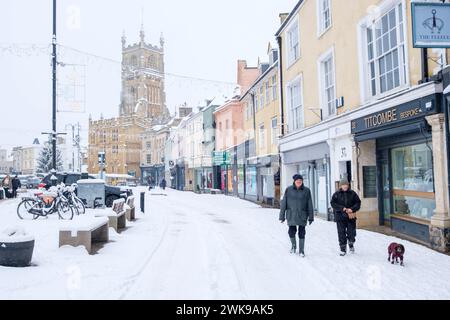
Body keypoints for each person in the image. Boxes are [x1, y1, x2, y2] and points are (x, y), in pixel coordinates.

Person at [279, 174, 314, 257]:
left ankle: (301, 250)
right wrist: (282, 216)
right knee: (291, 231)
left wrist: (311, 217)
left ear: (302, 181)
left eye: (300, 181)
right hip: (291, 214)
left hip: (302, 214)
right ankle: (293, 246)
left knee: (302, 232)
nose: (299, 182)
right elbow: (284, 203)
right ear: (294, 181)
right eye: (297, 181)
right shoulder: (288, 190)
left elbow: (310, 204)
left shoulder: (306, 190)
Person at [330, 178, 361, 256]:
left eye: (346, 185)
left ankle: (351, 243)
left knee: (352, 233)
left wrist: (352, 209)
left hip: (351, 217)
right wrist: (341, 208)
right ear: (341, 186)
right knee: (341, 233)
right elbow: (333, 203)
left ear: (348, 185)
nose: (345, 186)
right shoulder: (336, 194)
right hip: (340, 217)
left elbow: (358, 203)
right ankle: (343, 249)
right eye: (343, 185)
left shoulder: (352, 193)